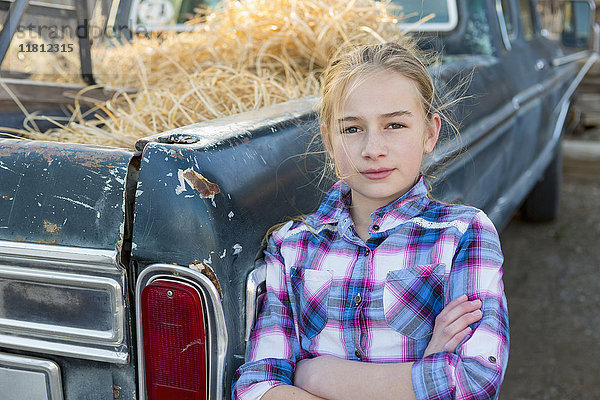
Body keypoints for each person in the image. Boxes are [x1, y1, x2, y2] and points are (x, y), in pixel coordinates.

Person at [232, 42, 509, 400]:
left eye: (394, 124)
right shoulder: (292, 246)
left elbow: (475, 380)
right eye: (351, 129)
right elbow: (257, 387)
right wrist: (424, 373)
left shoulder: (462, 235)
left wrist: (315, 376)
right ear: (329, 142)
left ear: (429, 133)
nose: (373, 148)